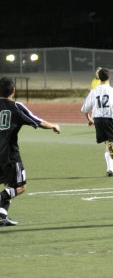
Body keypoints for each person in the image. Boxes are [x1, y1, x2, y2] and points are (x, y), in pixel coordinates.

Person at [0, 76, 61, 227]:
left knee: (10, 184)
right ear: (13, 90)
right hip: (9, 155)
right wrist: (54, 125)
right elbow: (37, 121)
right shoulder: (16, 107)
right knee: (20, 186)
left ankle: (1, 215)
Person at [81, 68, 113, 177]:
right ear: (109, 77)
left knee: (107, 144)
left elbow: (85, 109)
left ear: (98, 78)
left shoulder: (94, 91)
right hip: (109, 119)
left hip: (98, 120)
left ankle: (110, 169)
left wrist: (90, 120)